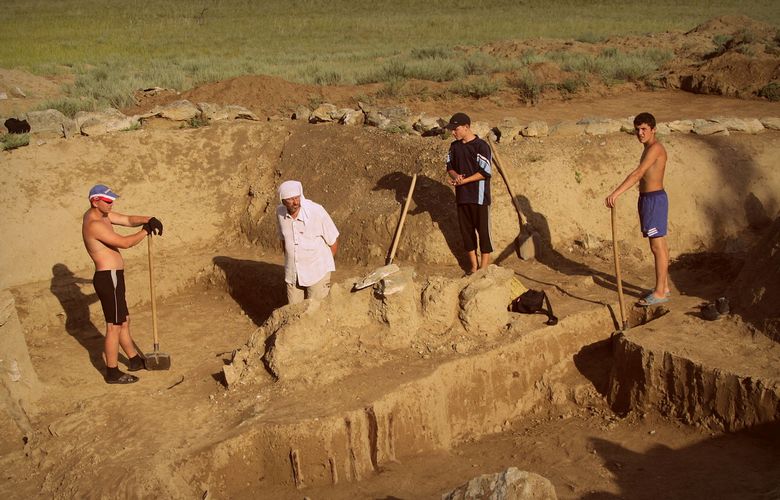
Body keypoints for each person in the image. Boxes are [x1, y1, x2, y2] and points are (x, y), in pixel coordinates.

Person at [82, 184, 163, 384]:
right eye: (108, 201)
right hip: (109, 278)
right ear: (95, 201)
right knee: (114, 326)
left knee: (124, 320)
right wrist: (145, 231)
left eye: (112, 200)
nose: (112, 204)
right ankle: (112, 371)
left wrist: (148, 219)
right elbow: (124, 243)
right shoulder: (94, 224)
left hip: (114, 277)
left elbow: (126, 220)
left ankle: (134, 360)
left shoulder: (102, 214)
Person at [605, 112, 670, 306]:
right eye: (637, 129)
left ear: (653, 130)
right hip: (648, 199)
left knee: (657, 246)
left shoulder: (655, 148)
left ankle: (659, 293)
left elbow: (639, 173)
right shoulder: (648, 147)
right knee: (659, 245)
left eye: (644, 129)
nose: (640, 133)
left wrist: (616, 193)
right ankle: (664, 287)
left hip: (654, 201)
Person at [444, 112, 493, 275]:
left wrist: (464, 181)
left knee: (483, 232)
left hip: (479, 198)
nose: (453, 132)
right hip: (462, 197)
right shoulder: (454, 147)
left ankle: (484, 268)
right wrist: (455, 176)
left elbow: (485, 172)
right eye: (451, 129)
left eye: (455, 129)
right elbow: (449, 166)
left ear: (466, 127)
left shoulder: (481, 146)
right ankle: (473, 267)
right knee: (467, 233)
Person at [276, 180, 339, 304]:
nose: (295, 202)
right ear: (282, 201)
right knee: (293, 311)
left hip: (318, 272)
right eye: (290, 199)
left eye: (297, 198)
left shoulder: (316, 211)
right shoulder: (279, 213)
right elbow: (283, 238)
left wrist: (325, 265)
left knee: (316, 311)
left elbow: (333, 239)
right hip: (293, 273)